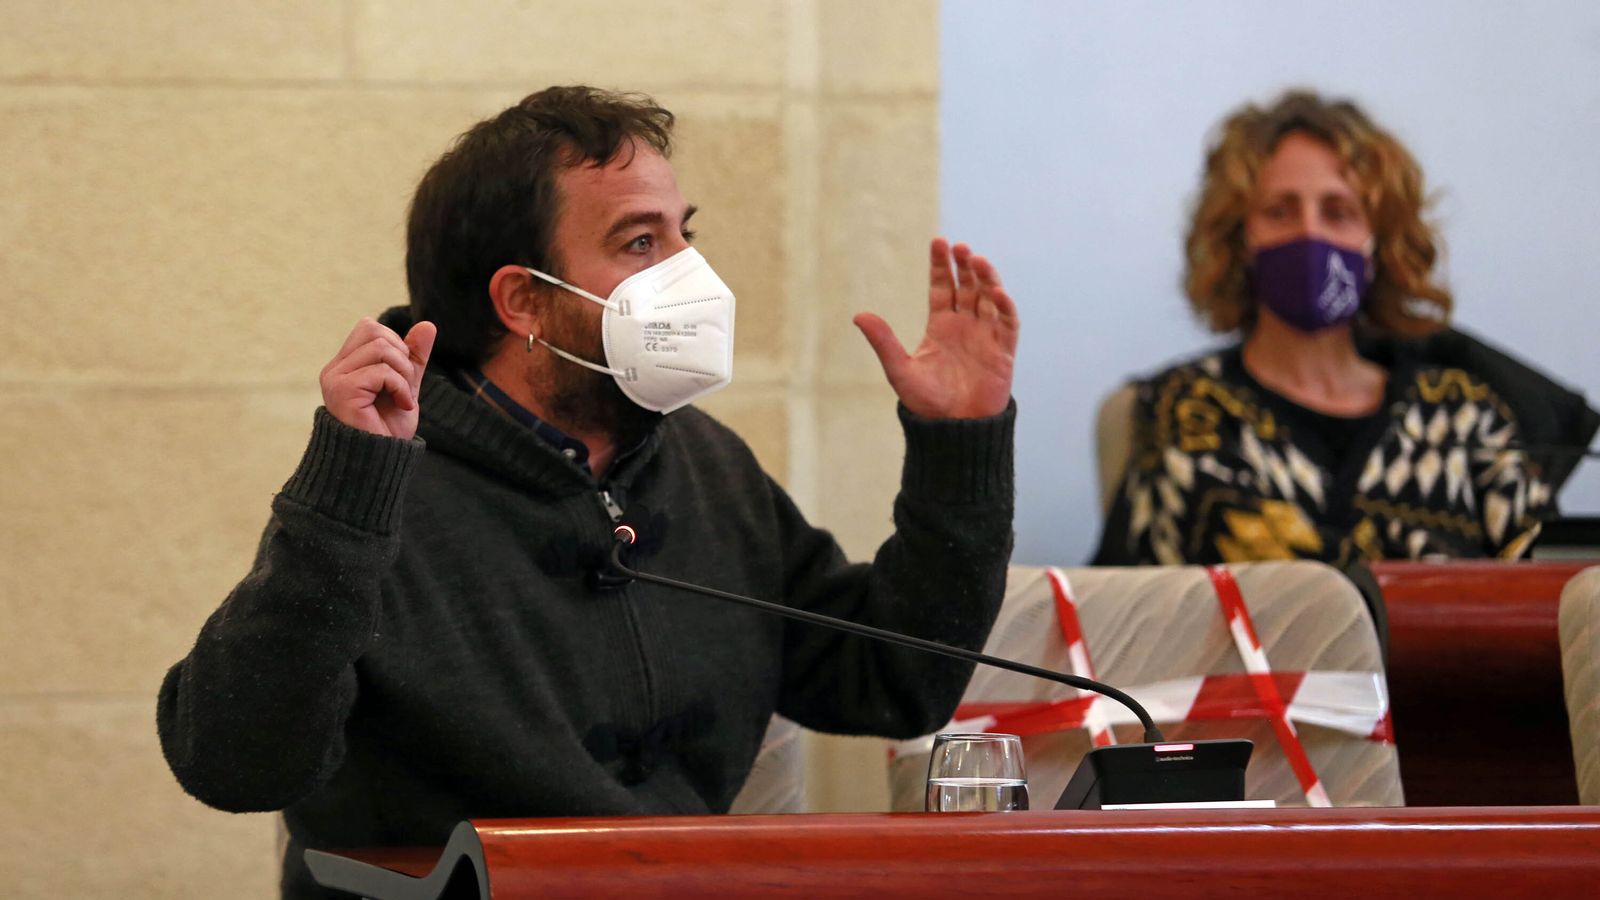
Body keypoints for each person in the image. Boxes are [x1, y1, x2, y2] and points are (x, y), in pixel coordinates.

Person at [156, 86, 1020, 898]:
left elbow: (895, 679)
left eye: (685, 234)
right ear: (524, 299)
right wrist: (340, 500)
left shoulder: (709, 467)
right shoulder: (379, 491)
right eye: (641, 243)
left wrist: (960, 443)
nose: (692, 275)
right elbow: (235, 763)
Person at [1094, 90, 1597, 567]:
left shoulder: (1462, 414)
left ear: (1377, 244)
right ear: (1240, 239)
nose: (1310, 233)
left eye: (1339, 213)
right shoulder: (1186, 409)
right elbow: (1134, 621)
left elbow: (1557, 598)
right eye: (1279, 211)